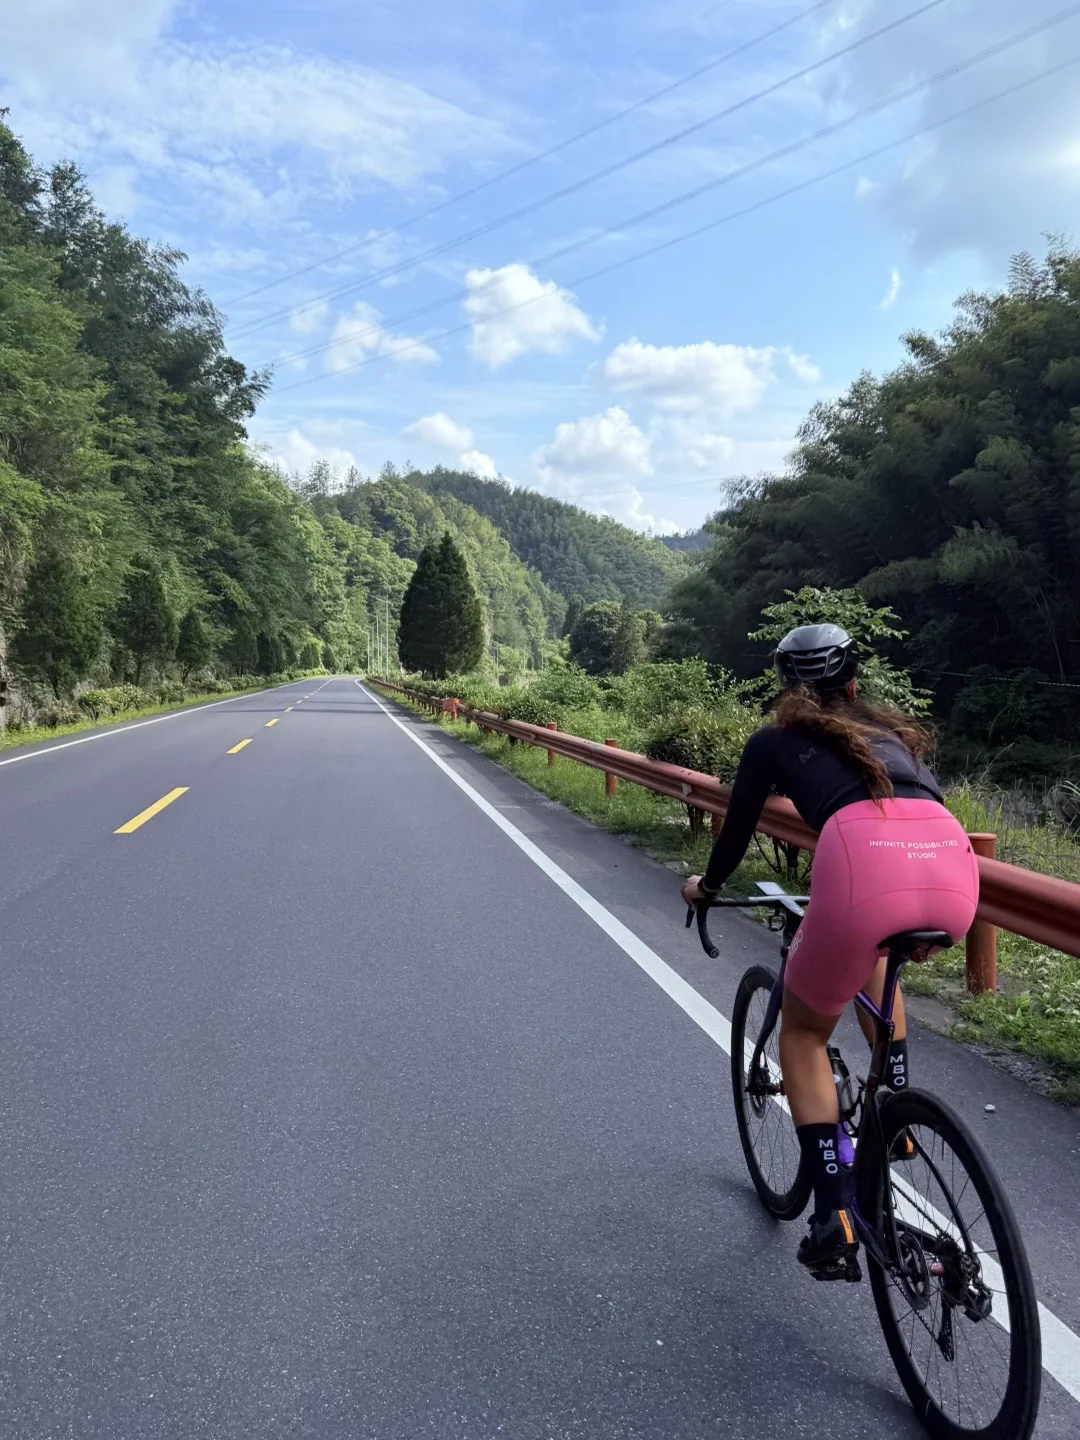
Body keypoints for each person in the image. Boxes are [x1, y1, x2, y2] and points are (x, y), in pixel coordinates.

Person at [681, 624, 979, 1276]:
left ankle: (834, 1210)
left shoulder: (774, 741)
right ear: (852, 684)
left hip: (862, 870)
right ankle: (894, 1117)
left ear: (788, 689)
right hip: (950, 872)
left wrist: (708, 887)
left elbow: (736, 831)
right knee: (879, 963)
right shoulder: (891, 737)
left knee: (805, 1036)